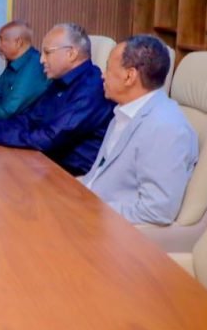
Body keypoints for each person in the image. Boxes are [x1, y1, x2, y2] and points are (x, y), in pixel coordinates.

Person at [0, 23, 114, 176]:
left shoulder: (91, 88)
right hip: (44, 163)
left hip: (72, 177)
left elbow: (49, 138)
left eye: (47, 52)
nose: (41, 60)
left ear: (71, 54)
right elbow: (30, 119)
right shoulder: (59, 82)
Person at [80, 35, 198, 224]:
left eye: (108, 68)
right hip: (86, 212)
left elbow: (157, 211)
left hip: (109, 229)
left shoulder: (165, 127)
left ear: (129, 76)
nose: (103, 75)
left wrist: (90, 210)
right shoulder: (124, 113)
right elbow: (97, 178)